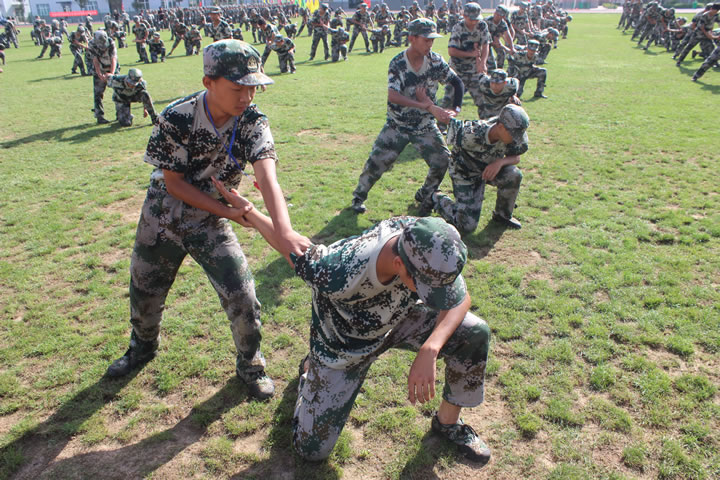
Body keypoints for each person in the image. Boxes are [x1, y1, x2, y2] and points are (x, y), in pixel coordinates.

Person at [213, 183, 492, 464]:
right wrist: (250, 212)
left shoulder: (430, 242)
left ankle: (447, 423)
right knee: (311, 450)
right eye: (422, 287)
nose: (430, 296)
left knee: (474, 333)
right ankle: (311, 370)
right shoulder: (340, 268)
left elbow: (459, 299)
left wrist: (431, 347)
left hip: (397, 321)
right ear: (398, 263)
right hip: (341, 348)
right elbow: (291, 246)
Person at [105, 40, 310, 401]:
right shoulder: (177, 116)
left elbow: (268, 177)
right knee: (145, 291)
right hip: (163, 216)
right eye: (237, 87)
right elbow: (174, 183)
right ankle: (142, 347)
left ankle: (251, 365)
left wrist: (286, 230)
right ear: (208, 82)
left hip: (210, 222)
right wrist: (230, 212)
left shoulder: (252, 121)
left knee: (243, 297)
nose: (247, 96)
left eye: (253, 86)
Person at [350, 18, 465, 215]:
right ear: (412, 38)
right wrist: (423, 104)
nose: (430, 44)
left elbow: (456, 82)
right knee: (376, 162)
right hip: (398, 124)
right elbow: (393, 95)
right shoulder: (398, 63)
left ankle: (425, 194)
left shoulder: (435, 61)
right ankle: (358, 197)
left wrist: (456, 107)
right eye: (426, 39)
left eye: (432, 40)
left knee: (442, 160)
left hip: (425, 125)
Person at [424, 100, 529, 232]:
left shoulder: (514, 135)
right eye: (514, 135)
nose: (517, 139)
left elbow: (516, 157)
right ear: (501, 127)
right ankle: (435, 197)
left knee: (513, 174)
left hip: (489, 168)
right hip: (464, 173)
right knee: (466, 225)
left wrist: (500, 162)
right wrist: (429, 105)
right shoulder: (472, 132)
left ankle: (502, 215)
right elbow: (449, 121)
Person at [439, 3, 489, 113]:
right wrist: (472, 54)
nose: (475, 22)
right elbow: (451, 51)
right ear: (464, 16)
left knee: (484, 102)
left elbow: (486, 45)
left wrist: (483, 62)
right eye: (472, 19)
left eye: (477, 19)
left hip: (474, 71)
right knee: (449, 102)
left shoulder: (482, 26)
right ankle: (442, 127)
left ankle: (488, 127)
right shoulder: (458, 28)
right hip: (457, 71)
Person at [85, 30, 118, 124]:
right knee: (98, 93)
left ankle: (120, 114)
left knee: (118, 90)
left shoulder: (111, 42)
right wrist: (99, 74)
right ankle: (99, 116)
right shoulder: (92, 44)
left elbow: (114, 58)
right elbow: (95, 59)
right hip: (99, 67)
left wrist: (111, 73)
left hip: (111, 66)